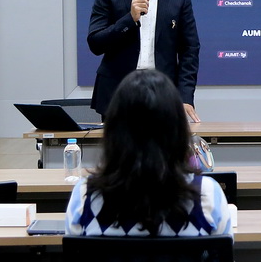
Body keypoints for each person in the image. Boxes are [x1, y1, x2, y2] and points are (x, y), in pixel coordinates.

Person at [66, 69, 231, 238]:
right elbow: (223, 255)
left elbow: (74, 254)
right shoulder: (207, 194)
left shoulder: (85, 196)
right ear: (178, 130)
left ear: (113, 131)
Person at [87, 0, 201, 121]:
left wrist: (185, 96)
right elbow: (96, 44)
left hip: (163, 91)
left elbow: (189, 49)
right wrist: (129, 19)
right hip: (117, 92)